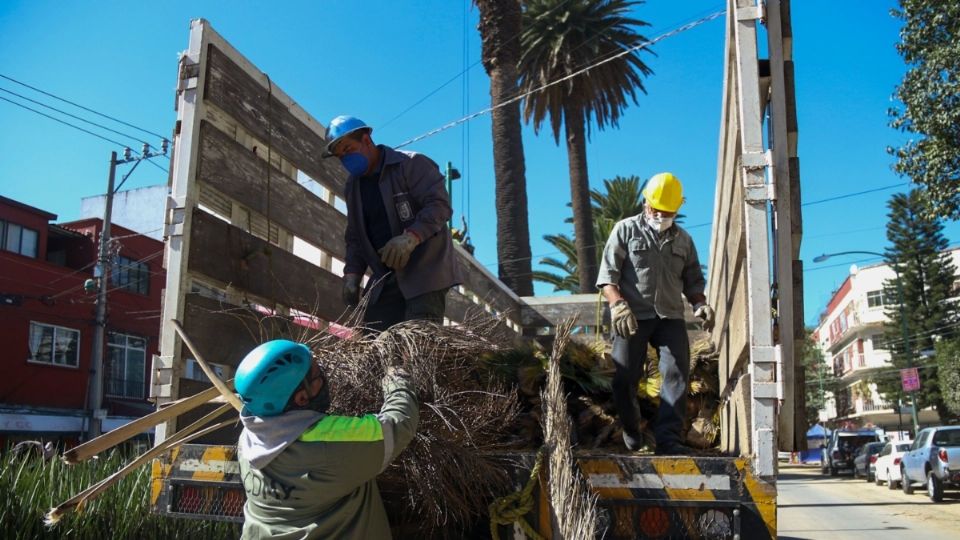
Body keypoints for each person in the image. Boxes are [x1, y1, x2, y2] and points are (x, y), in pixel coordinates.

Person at [235, 339, 418, 539]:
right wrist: (398, 381)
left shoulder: (247, 440)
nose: (324, 376)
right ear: (302, 398)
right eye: (317, 376)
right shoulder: (329, 445)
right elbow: (399, 424)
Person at [595, 172, 715, 455]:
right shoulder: (625, 231)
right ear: (646, 203)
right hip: (632, 317)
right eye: (657, 210)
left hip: (670, 317)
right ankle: (632, 430)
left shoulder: (684, 241)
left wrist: (699, 303)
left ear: (677, 209)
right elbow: (607, 277)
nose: (661, 215)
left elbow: (693, 281)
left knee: (676, 375)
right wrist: (617, 304)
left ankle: (669, 440)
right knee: (625, 378)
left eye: (668, 212)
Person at [325, 116, 461, 332]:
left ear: (367, 140)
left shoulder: (410, 164)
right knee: (373, 341)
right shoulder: (353, 187)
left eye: (348, 149)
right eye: (341, 156)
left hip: (424, 273)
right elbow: (355, 236)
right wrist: (352, 275)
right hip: (385, 276)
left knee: (417, 343)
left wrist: (410, 238)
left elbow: (439, 205)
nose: (346, 159)